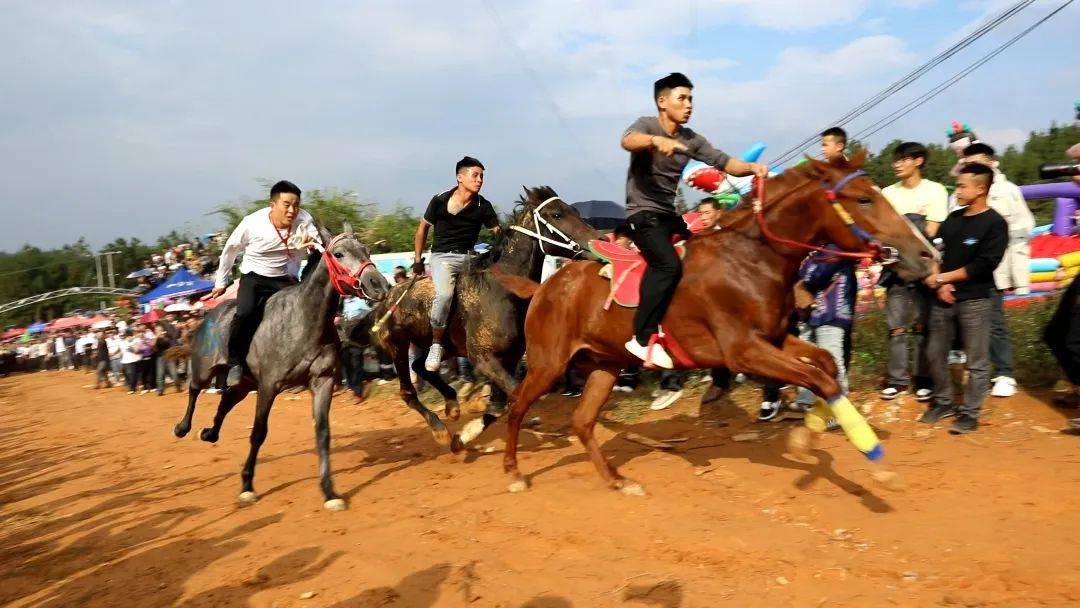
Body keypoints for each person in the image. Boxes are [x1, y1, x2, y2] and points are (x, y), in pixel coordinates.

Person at [621, 72, 767, 368]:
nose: (689, 105)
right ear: (663, 102)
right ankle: (641, 338)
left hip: (668, 216)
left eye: (691, 99)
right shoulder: (647, 125)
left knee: (709, 256)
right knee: (668, 264)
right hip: (642, 215)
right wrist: (654, 141)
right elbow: (628, 141)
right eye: (682, 98)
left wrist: (752, 166)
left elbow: (727, 163)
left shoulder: (692, 139)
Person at [921, 163, 1007, 434]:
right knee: (935, 353)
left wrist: (943, 279)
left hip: (976, 301)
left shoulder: (995, 224)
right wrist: (939, 283)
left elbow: (983, 265)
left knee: (977, 360)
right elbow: (935, 253)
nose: (957, 190)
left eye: (962, 186)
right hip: (942, 298)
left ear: (980, 189)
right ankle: (944, 401)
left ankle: (970, 412)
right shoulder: (953, 219)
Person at [209, 180, 321, 386]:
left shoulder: (304, 220)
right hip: (255, 277)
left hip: (286, 279)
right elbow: (230, 249)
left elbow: (318, 244)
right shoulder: (252, 223)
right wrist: (221, 282)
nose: (292, 210)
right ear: (273, 204)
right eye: (286, 205)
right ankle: (235, 363)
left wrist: (314, 245)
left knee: (302, 314)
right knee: (245, 312)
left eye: (296, 205)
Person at [412, 156, 501, 372]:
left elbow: (499, 234)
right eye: (475, 175)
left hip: (471, 259)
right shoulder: (439, 200)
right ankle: (436, 344)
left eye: (482, 176)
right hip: (443, 258)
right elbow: (422, 229)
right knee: (444, 296)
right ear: (460, 177)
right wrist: (417, 260)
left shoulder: (484, 206)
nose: (480, 180)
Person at [962, 142, 1034, 398]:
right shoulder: (959, 193)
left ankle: (1004, 373)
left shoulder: (1007, 190)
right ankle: (972, 371)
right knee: (963, 321)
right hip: (964, 269)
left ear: (992, 162)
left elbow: (1025, 225)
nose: (974, 166)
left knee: (994, 322)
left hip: (993, 266)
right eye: (969, 162)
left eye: (980, 161)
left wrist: (995, 239)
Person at [879, 142, 948, 401]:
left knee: (921, 326)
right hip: (896, 270)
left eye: (903, 159)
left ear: (918, 161)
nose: (897, 164)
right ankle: (897, 381)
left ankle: (923, 380)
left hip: (922, 268)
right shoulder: (887, 192)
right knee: (896, 328)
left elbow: (931, 230)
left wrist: (902, 236)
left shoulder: (935, 191)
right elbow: (882, 230)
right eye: (895, 160)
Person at [792, 247, 857, 413]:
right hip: (813, 313)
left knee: (832, 360)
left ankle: (840, 409)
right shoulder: (817, 251)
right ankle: (806, 399)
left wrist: (803, 278)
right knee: (806, 358)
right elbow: (804, 274)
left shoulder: (835, 248)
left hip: (833, 312)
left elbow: (813, 276)